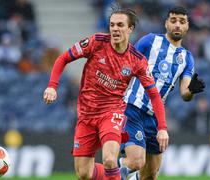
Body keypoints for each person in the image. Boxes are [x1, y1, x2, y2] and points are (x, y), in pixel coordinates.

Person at [43, 7, 168, 180]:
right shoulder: (96, 42)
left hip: (112, 113)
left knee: (110, 160)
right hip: (86, 116)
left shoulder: (137, 60)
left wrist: (162, 128)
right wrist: (52, 86)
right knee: (84, 174)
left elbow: (154, 94)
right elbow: (63, 58)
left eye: (120, 25)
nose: (115, 29)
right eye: (112, 25)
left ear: (130, 29)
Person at [119, 6, 206, 180]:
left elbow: (184, 94)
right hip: (132, 107)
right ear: (166, 23)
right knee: (136, 162)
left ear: (187, 26)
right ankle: (106, 172)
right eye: (173, 21)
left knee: (150, 175)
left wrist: (192, 91)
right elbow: (126, 67)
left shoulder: (187, 58)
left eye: (182, 22)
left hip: (155, 117)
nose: (177, 25)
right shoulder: (149, 41)